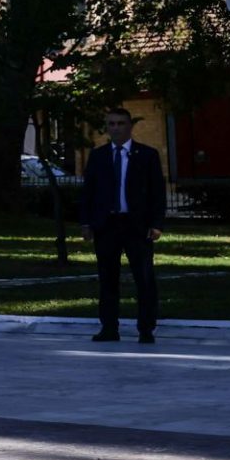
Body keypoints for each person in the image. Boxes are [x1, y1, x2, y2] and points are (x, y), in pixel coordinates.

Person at [80, 107, 168, 343]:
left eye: (120, 123)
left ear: (130, 126)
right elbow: (88, 191)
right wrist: (86, 222)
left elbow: (157, 192)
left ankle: (146, 329)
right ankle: (109, 328)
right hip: (107, 224)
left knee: (144, 277)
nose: (116, 128)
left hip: (136, 225)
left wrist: (157, 224)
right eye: (111, 124)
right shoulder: (98, 156)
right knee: (108, 277)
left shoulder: (147, 155)